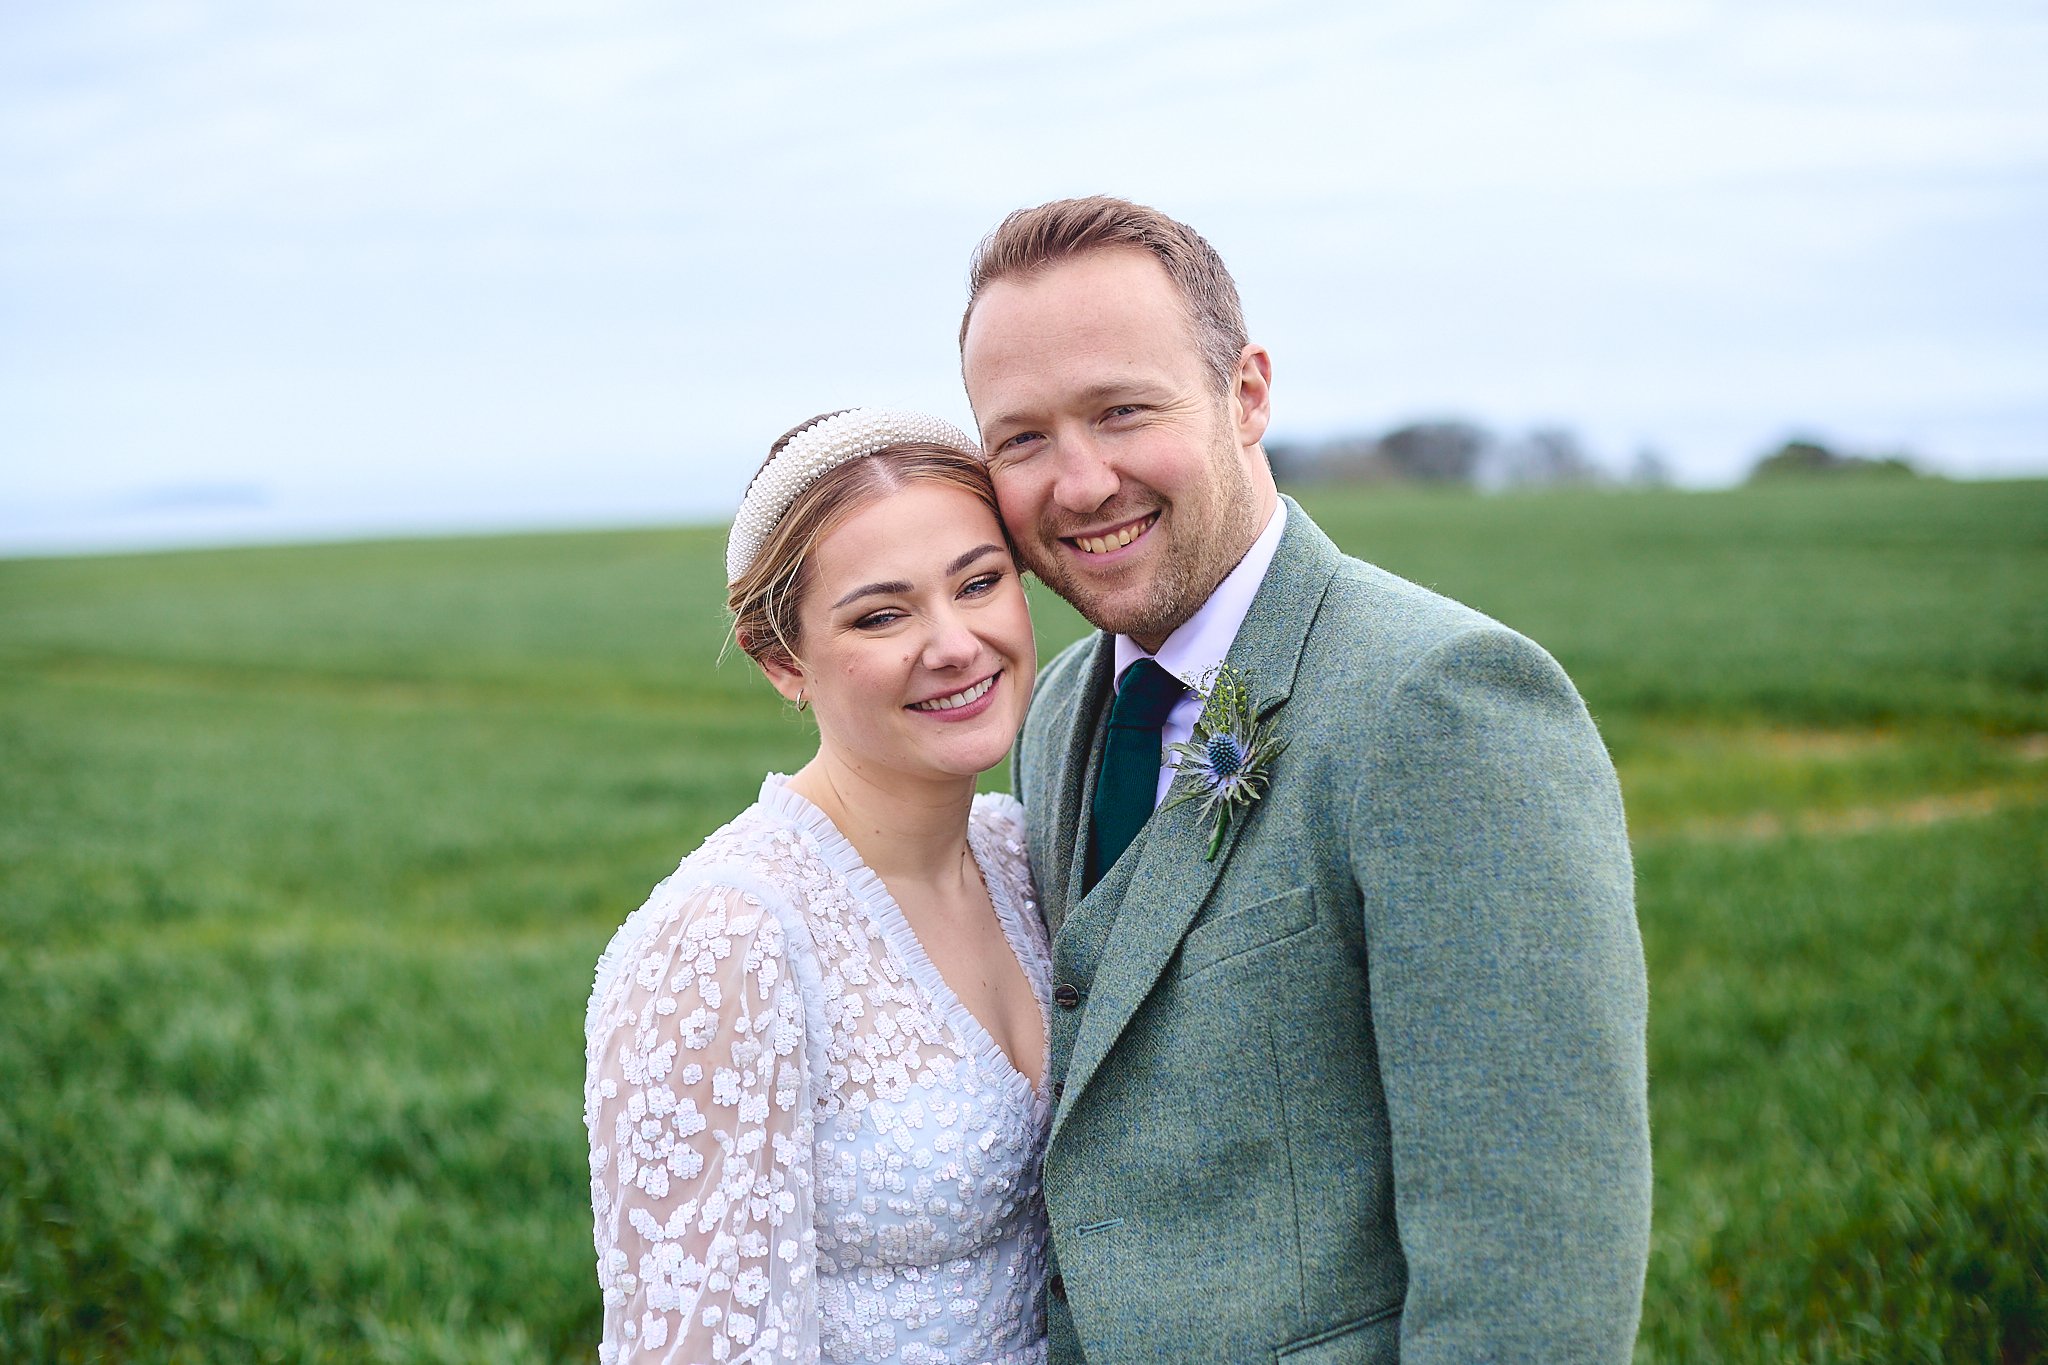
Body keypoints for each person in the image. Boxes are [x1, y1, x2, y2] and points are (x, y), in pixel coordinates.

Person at [958, 197, 1651, 1362]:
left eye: (1121, 410)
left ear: (1246, 395)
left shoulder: (1444, 703)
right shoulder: (1061, 706)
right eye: (1020, 439)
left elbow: (1531, 1262)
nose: (1077, 485)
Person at [583, 410, 1052, 1364]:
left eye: (979, 582)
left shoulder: (1023, 854)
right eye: (882, 614)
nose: (955, 641)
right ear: (782, 661)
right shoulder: (727, 940)